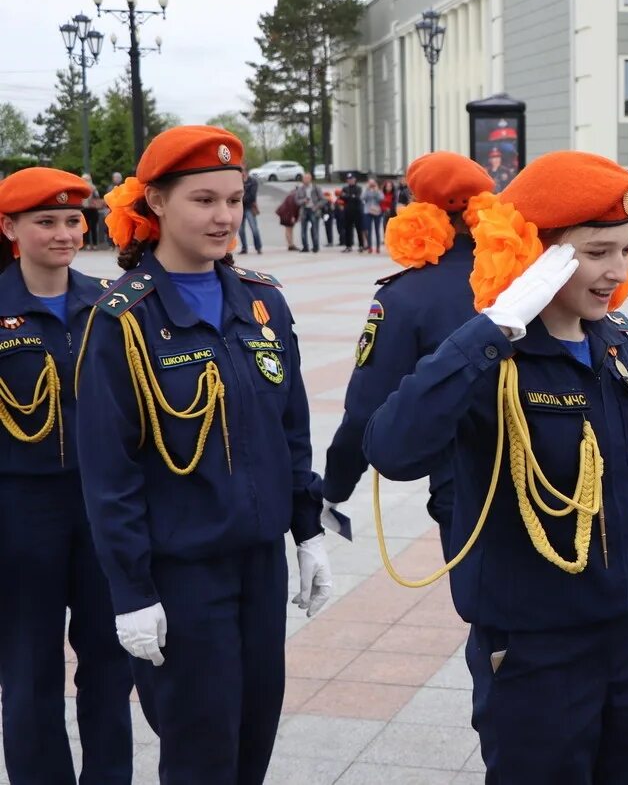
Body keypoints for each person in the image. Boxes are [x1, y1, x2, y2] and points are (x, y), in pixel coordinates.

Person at [364, 151, 628, 784]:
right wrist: (490, 329)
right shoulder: (490, 352)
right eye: (596, 252)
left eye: (627, 249)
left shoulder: (611, 341)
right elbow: (392, 448)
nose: (616, 271)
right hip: (535, 651)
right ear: (535, 251)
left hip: (622, 639)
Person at [77, 125, 334, 783]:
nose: (224, 217)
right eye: (203, 200)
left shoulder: (260, 300)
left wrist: (308, 530)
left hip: (259, 565)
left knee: (253, 738)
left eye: (234, 198)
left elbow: (291, 428)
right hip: (182, 574)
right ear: (156, 202)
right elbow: (111, 473)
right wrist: (130, 591)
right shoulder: (122, 320)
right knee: (200, 751)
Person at [0, 168, 134, 784]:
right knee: (29, 668)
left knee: (110, 662)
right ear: (10, 228)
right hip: (18, 511)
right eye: (45, 221)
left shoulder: (110, 304)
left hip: (101, 506)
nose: (63, 233)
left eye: (73, 220)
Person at [322, 152, 494, 545]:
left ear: (419, 212)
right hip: (554, 478)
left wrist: (335, 487)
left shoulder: (405, 295)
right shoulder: (523, 278)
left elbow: (366, 409)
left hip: (466, 489)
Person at [296, 172, 325, 253]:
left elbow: (323, 200)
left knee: (314, 229)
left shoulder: (316, 188)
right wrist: (303, 201)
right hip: (304, 210)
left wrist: (316, 206)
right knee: (303, 230)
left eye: (306, 178)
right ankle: (305, 247)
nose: (305, 180)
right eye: (304, 178)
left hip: (313, 210)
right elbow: (297, 201)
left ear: (310, 179)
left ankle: (315, 246)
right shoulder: (300, 189)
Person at [239, 166, 263, 255]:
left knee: (254, 228)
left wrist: (241, 199)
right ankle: (244, 248)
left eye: (243, 171)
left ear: (246, 172)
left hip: (249, 207)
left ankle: (258, 247)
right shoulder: (238, 182)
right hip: (240, 208)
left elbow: (252, 196)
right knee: (241, 230)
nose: (242, 174)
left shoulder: (253, 182)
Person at [341, 173, 365, 252]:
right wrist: (351, 196)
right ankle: (348, 245)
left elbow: (358, 198)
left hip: (357, 211)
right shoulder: (345, 188)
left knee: (359, 229)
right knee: (348, 229)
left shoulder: (358, 188)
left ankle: (361, 245)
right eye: (349, 179)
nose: (350, 181)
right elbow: (342, 197)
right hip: (348, 211)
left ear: (355, 179)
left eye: (351, 179)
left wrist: (348, 196)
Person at [362, 178, 384, 254]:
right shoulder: (366, 190)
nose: (371, 185)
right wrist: (367, 189)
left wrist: (377, 190)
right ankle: (369, 247)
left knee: (377, 230)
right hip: (367, 211)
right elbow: (362, 198)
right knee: (368, 230)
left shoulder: (377, 190)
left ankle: (378, 247)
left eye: (373, 183)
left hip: (376, 211)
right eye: (370, 183)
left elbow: (381, 198)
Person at [275, 184, 300, 251]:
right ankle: (290, 245)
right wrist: (292, 216)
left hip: (285, 213)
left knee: (289, 229)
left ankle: (291, 244)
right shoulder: (294, 196)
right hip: (286, 214)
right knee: (289, 229)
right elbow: (291, 207)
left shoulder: (292, 194)